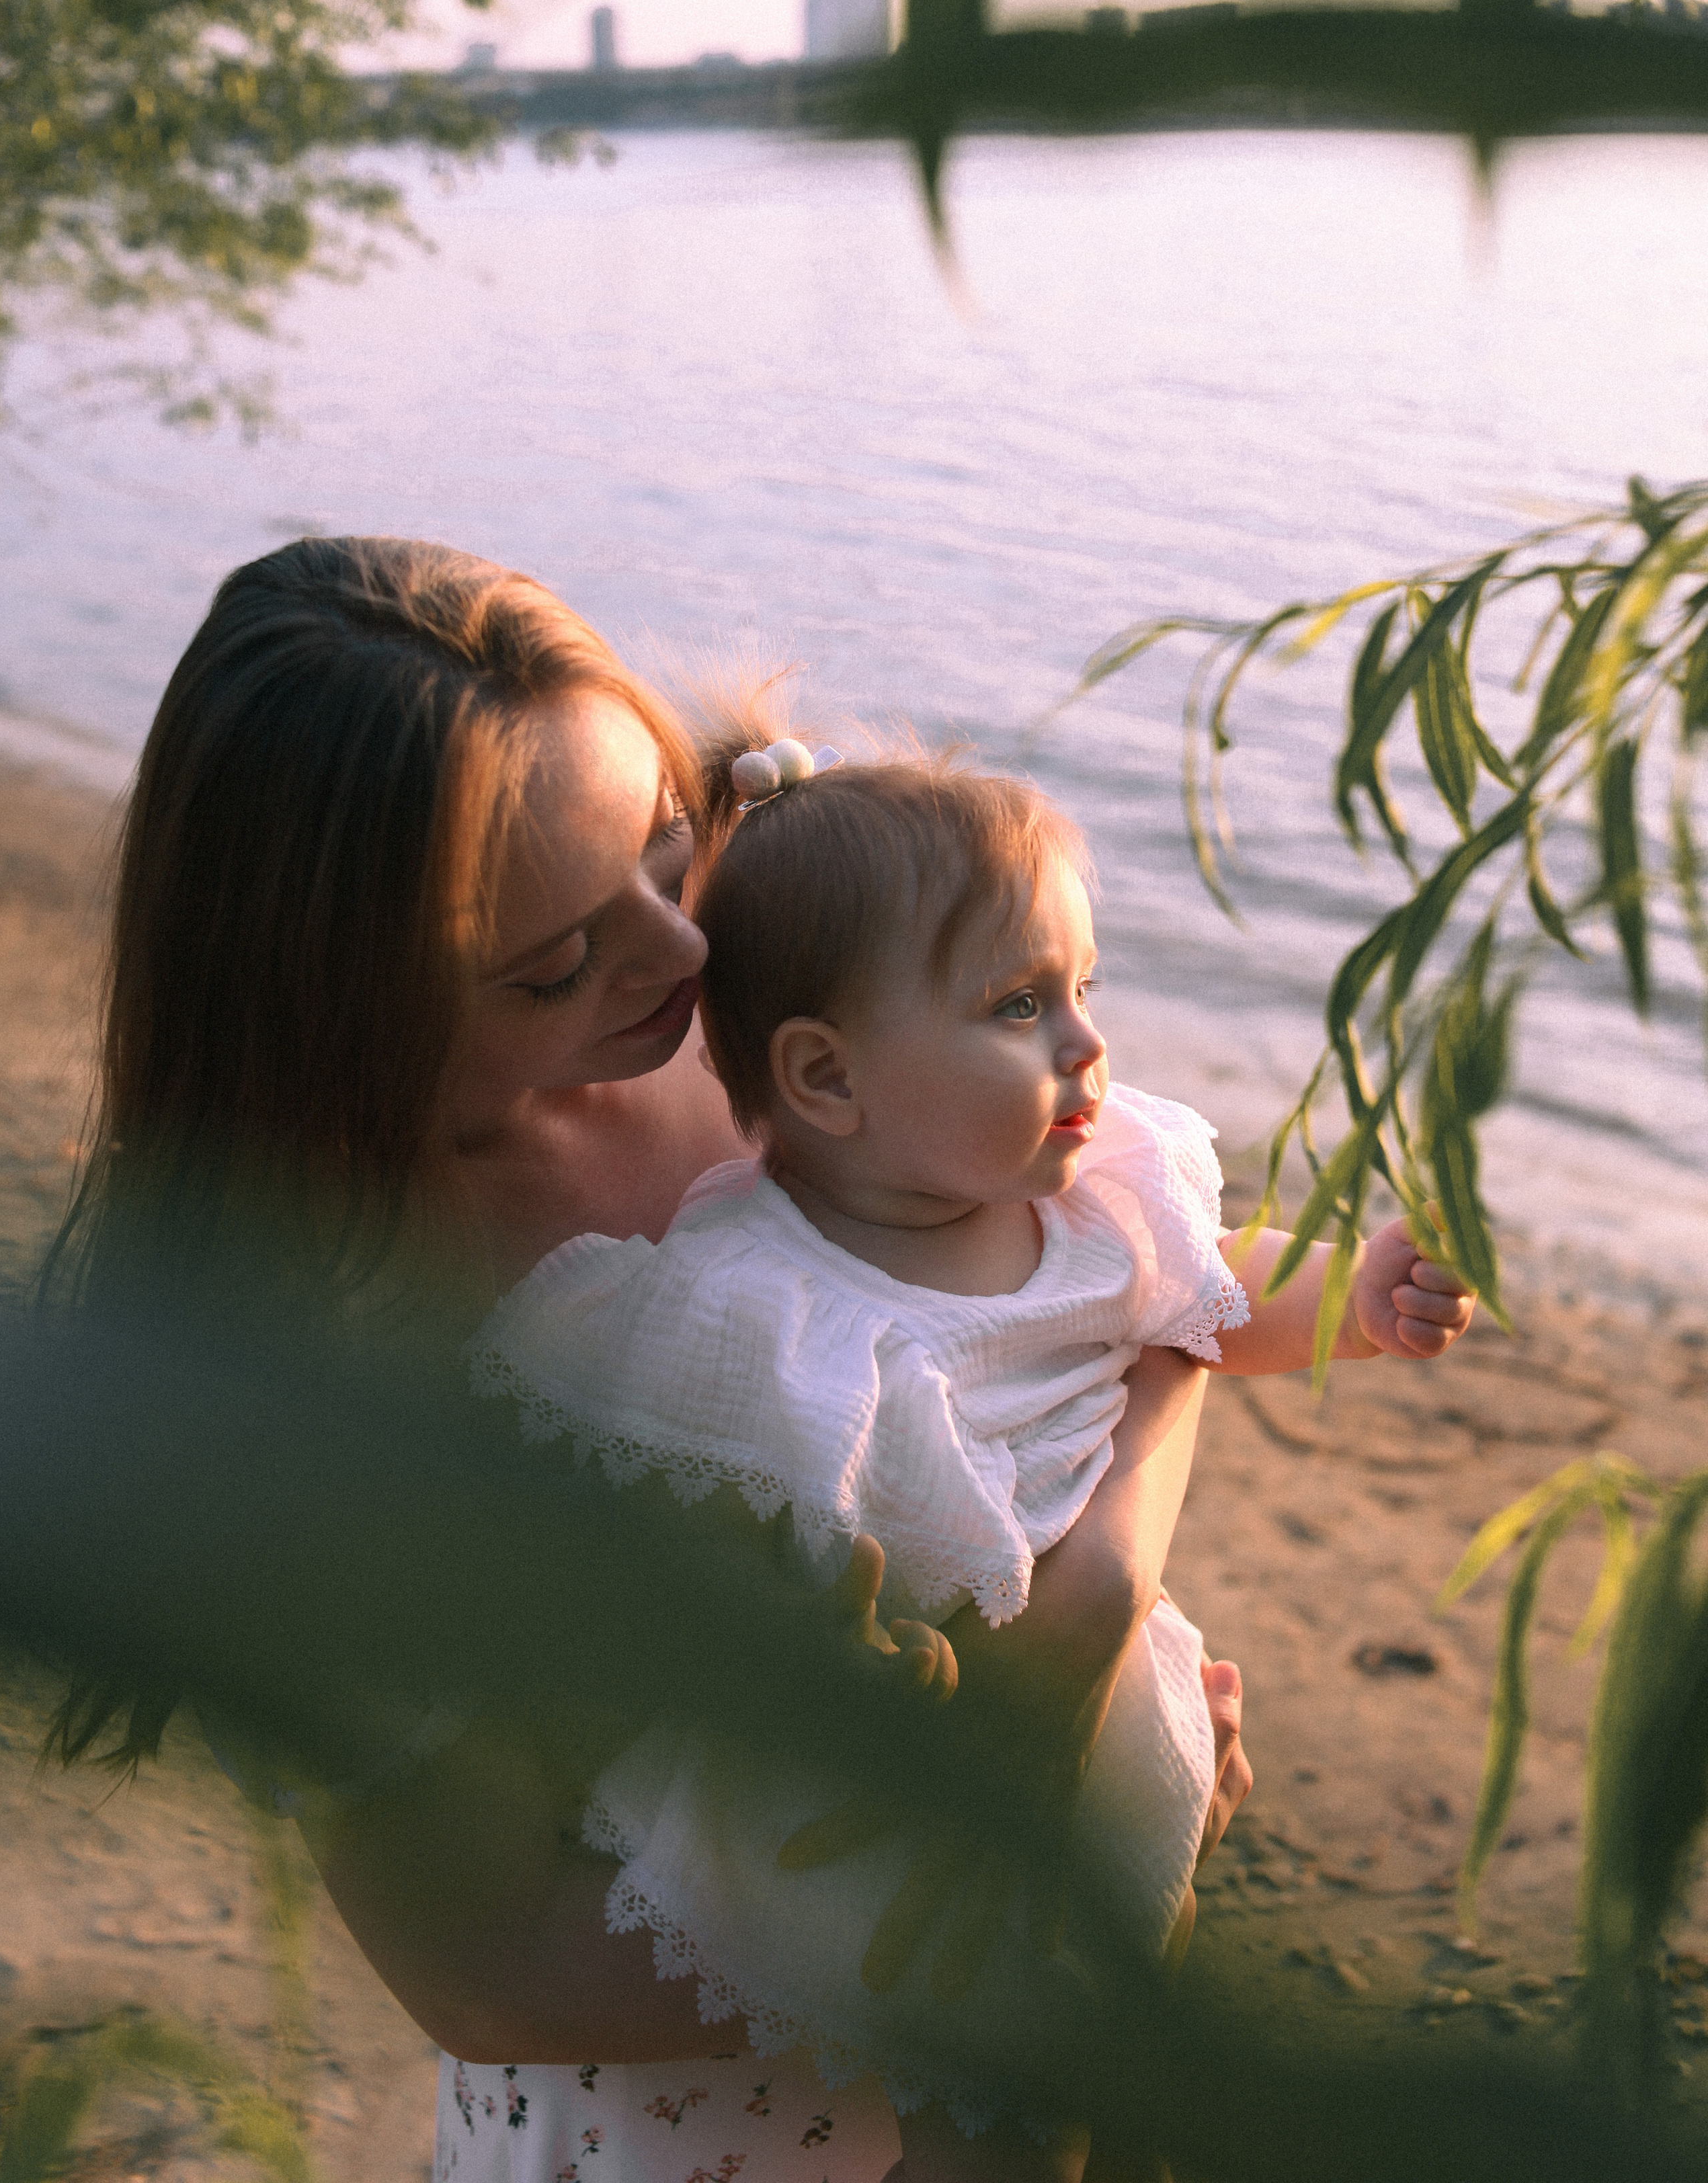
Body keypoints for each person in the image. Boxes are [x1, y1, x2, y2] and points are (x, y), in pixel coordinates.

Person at [42, 538, 1251, 2183]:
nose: (684, 957)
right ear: (337, 996)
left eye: (664, 854)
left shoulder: (739, 1050)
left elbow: (1109, 1288)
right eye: (553, 962)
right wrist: (1004, 1923)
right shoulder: (322, 1365)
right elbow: (490, 1968)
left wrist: (1100, 1617)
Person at [462, 732, 1476, 2178]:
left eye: (1082, 988)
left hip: (1094, 1715)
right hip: (900, 1765)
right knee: (975, 2082)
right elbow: (668, 1481)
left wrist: (1361, 1302)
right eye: (1018, 1005)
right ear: (827, 1079)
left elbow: (1215, 1291)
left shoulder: (1090, 1201)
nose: (1085, 1043)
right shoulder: (749, 1289)